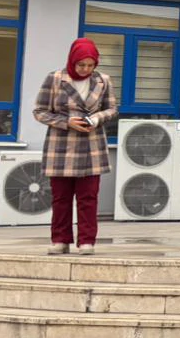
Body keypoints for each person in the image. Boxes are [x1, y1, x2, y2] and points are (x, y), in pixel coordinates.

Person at [33, 37, 118, 255]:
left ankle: (87, 241)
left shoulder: (103, 80)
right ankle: (60, 240)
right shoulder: (55, 78)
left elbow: (111, 109)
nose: (86, 69)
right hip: (61, 146)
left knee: (88, 197)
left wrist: (96, 118)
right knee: (61, 197)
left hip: (92, 146)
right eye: (81, 65)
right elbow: (40, 111)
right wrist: (66, 122)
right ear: (72, 60)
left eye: (90, 65)